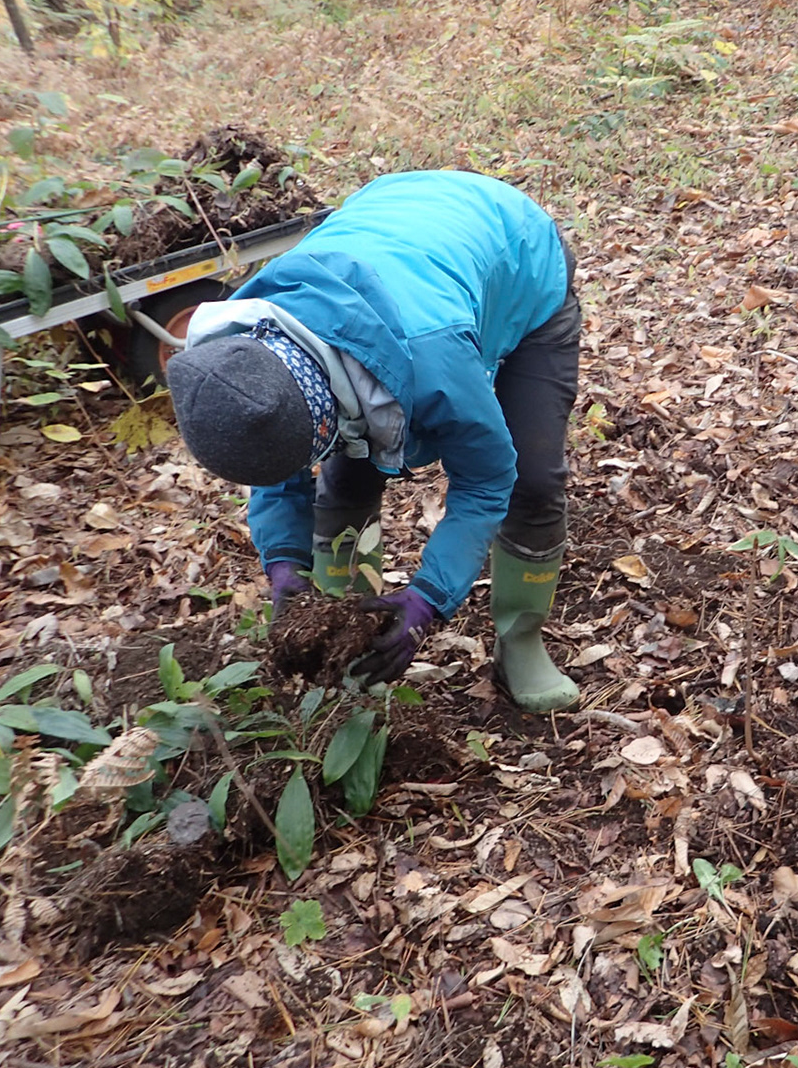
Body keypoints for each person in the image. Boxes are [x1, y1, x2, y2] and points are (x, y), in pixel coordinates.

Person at [164, 170, 582, 713]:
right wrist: (285, 564)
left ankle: (521, 638)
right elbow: (275, 460)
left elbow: (486, 477)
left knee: (532, 475)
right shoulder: (249, 344)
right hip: (400, 228)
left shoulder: (433, 356)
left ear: (325, 412)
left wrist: (429, 599)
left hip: (519, 259)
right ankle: (346, 636)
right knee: (347, 475)